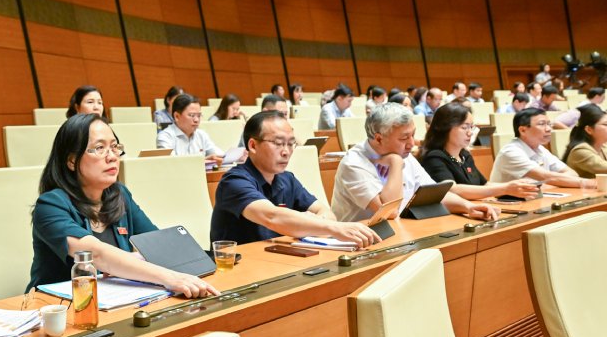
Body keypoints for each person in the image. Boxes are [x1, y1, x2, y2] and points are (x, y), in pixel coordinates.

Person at [29, 114, 218, 297]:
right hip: (58, 309)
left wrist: (134, 260)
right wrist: (168, 277)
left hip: (115, 302)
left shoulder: (119, 194)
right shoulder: (50, 205)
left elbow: (156, 245)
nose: (111, 156)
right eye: (99, 148)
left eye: (114, 147)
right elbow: (95, 255)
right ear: (71, 160)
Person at [210, 112, 379, 246]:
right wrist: (333, 228)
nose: (286, 151)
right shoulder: (233, 182)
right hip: (241, 267)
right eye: (278, 143)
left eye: (291, 143)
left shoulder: (286, 179)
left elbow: (326, 212)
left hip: (278, 258)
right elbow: (272, 216)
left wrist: (317, 222)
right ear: (253, 145)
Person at [331, 103, 500, 222]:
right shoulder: (353, 164)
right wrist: (396, 164)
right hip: (362, 243)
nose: (412, 144)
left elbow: (435, 195)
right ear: (378, 138)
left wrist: (468, 207)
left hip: (401, 230)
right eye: (404, 138)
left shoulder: (404, 153)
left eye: (413, 134)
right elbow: (389, 212)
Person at [419, 103, 539, 200]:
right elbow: (452, 190)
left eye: (471, 127)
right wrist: (505, 188)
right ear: (445, 128)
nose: (470, 133)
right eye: (464, 127)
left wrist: (517, 186)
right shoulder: (434, 157)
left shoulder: (465, 155)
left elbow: (484, 185)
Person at [489, 108, 593, 188]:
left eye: (549, 124)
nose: (548, 129)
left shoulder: (541, 149)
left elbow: (572, 173)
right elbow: (547, 177)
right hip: (509, 203)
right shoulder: (511, 152)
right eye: (542, 124)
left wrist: (551, 182)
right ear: (523, 130)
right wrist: (589, 183)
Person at [157, 94, 228, 165]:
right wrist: (203, 161)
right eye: (192, 115)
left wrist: (226, 157)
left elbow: (218, 154)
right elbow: (171, 164)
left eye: (199, 115)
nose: (196, 120)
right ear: (177, 116)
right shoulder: (165, 137)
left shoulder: (201, 135)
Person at [562, 104, 607, 178]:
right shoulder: (580, 150)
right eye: (606, 124)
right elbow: (603, 168)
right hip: (582, 189)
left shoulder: (603, 146)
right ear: (589, 129)